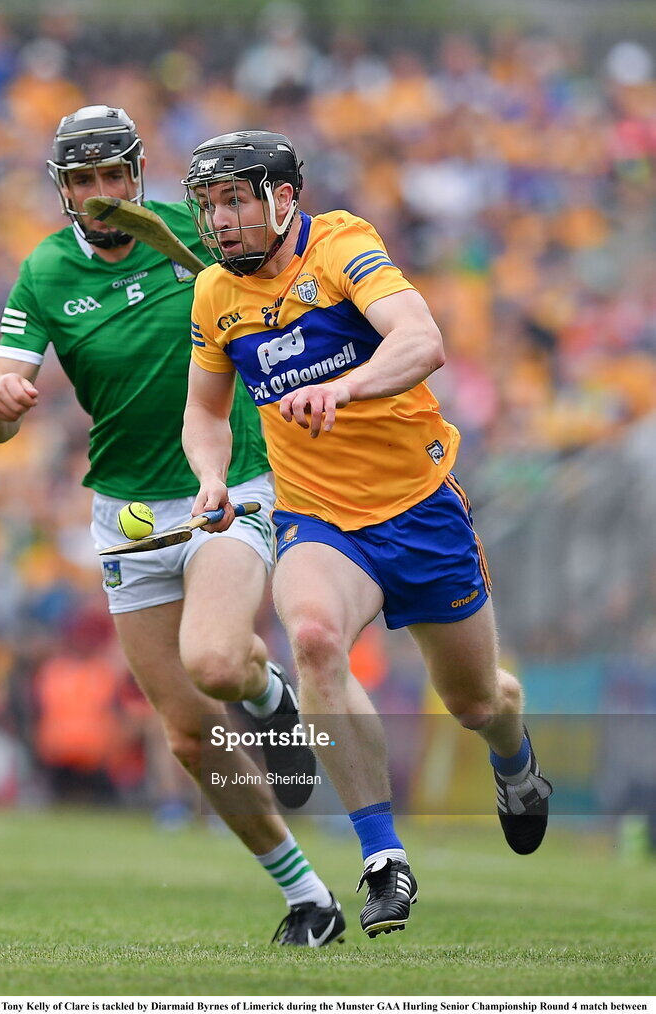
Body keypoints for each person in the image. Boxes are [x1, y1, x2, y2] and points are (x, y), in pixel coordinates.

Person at [0, 106, 345, 947]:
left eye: (114, 175)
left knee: (214, 660)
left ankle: (269, 699)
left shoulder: (197, 231)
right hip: (128, 514)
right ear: (63, 189)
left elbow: (284, 287)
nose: (102, 192)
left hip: (228, 483)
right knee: (186, 735)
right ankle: (307, 897)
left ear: (138, 174)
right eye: (83, 180)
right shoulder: (43, 274)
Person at [180, 129, 553, 940]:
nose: (220, 220)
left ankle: (515, 762)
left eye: (235, 200)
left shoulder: (342, 246)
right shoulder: (213, 294)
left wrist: (343, 388)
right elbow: (204, 412)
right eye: (209, 205)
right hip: (315, 516)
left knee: (475, 701)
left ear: (284, 198)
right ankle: (382, 859)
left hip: (418, 509)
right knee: (313, 640)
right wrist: (210, 477)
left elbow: (421, 342)